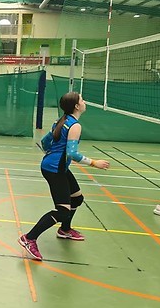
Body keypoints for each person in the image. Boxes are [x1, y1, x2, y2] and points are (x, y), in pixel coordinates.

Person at [18, 92, 110, 261]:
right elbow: (72, 153)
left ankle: (65, 230)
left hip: (56, 166)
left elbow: (45, 142)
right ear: (76, 106)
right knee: (62, 211)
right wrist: (93, 163)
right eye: (82, 99)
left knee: (77, 199)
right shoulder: (75, 126)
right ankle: (29, 238)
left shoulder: (60, 121)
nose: (84, 101)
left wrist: (54, 154)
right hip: (55, 170)